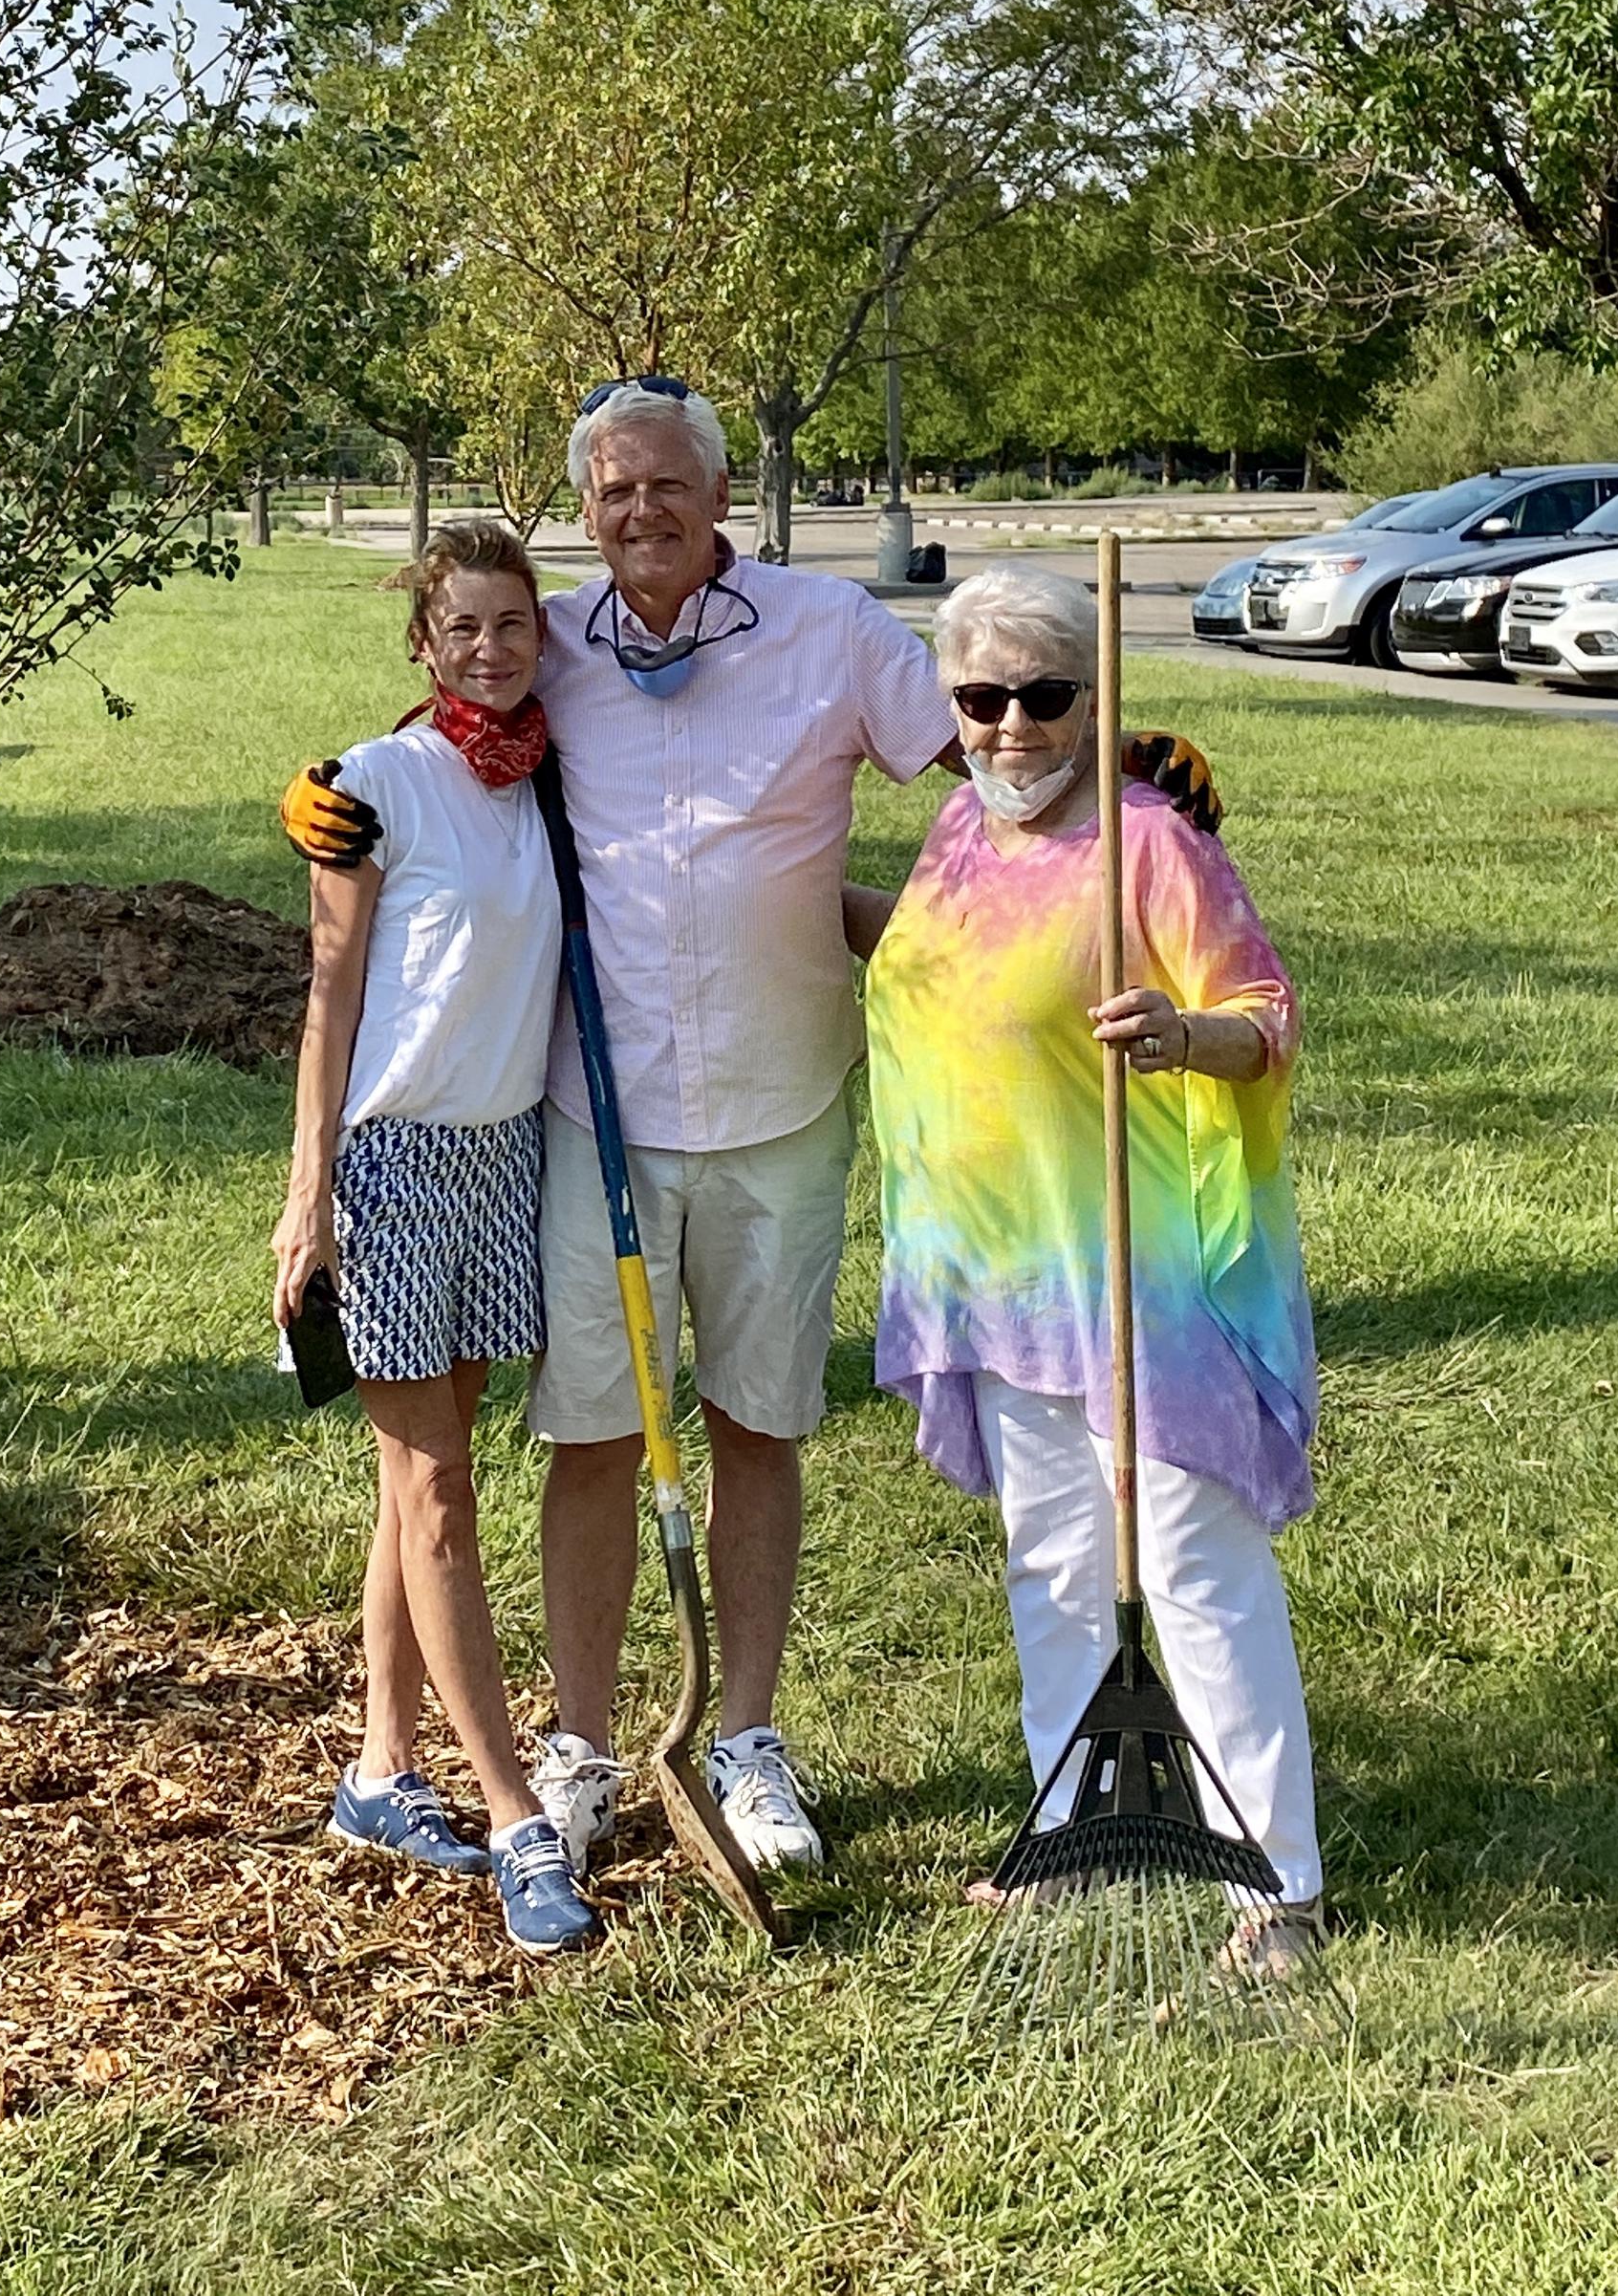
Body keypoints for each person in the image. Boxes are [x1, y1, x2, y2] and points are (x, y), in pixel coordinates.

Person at [286, 381, 1222, 1890]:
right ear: (581, 513)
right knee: (587, 1430)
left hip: (784, 1096)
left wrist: (1128, 768)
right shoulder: (561, 642)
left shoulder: (828, 630)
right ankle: (583, 1742)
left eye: (665, 485)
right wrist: (341, 794)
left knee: (757, 1419)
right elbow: (457, 720)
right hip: (599, 1108)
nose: (638, 512)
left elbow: (992, 761)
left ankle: (747, 1737)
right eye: (609, 494)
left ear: (718, 493)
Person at [862, 561, 1324, 1975]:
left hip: (1140, 1270)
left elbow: (1264, 1010)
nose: (1010, 724)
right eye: (981, 697)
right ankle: (1070, 1820)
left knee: (1187, 1557)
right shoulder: (952, 831)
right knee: (1052, 1558)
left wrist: (1186, 1037)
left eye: (1044, 696)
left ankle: (1277, 1880)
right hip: (999, 1267)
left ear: (1093, 701)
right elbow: (926, 961)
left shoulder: (1147, 844)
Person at [272, 518, 594, 1957]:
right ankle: (516, 1809)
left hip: (505, 1154)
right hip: (394, 1165)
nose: (486, 647)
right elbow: (327, 1003)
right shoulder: (371, 785)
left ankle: (378, 1772)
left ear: (541, 635)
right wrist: (308, 1198)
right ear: (420, 638)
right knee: (441, 1500)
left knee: (415, 1491)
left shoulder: (544, 781)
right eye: (459, 626)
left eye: (510, 624)